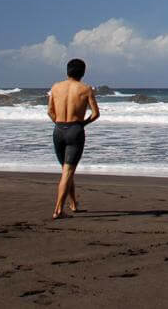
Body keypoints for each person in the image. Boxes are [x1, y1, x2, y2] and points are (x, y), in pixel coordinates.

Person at [47, 58, 99, 220]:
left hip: (58, 130)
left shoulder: (56, 87)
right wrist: (82, 124)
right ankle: (58, 210)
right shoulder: (86, 89)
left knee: (66, 170)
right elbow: (95, 114)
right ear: (83, 73)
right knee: (68, 171)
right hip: (75, 130)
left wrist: (60, 124)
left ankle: (74, 204)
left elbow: (50, 112)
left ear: (67, 71)